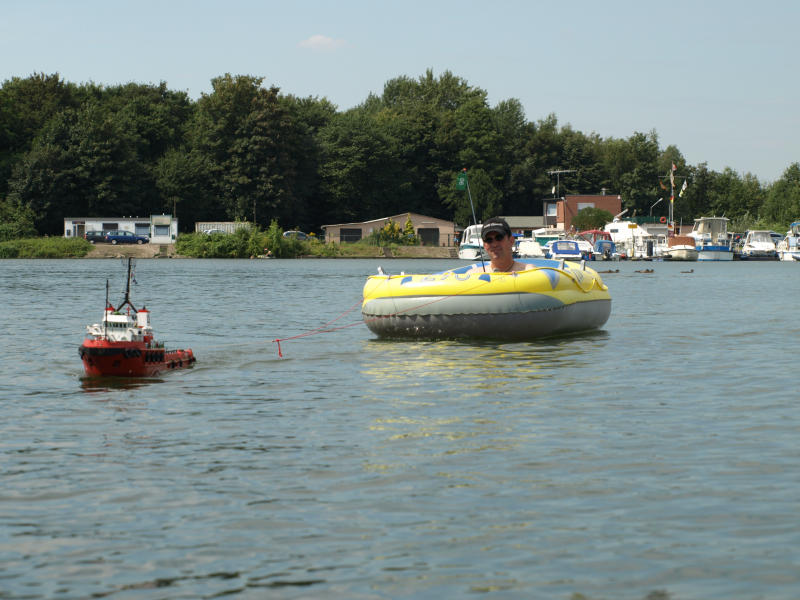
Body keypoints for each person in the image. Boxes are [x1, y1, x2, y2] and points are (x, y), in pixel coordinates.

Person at [465, 217, 534, 273]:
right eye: (489, 240)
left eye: (499, 238)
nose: (494, 244)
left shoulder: (529, 271)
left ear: (511, 241)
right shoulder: (473, 275)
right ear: (484, 245)